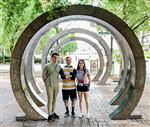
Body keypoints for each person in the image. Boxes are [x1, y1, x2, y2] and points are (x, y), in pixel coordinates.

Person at [42, 53, 61, 121]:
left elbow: (61, 75)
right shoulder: (47, 66)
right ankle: (49, 114)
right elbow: (43, 75)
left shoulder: (59, 66)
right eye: (54, 57)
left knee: (54, 99)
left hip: (56, 85)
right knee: (50, 99)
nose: (56, 59)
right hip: (49, 85)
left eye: (57, 57)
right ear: (52, 58)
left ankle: (53, 112)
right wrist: (46, 82)